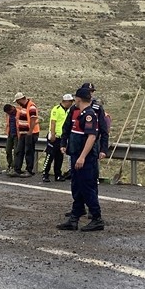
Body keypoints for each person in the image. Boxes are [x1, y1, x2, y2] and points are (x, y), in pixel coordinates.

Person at [56, 88, 105, 232]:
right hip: (76, 156)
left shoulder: (89, 114)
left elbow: (91, 137)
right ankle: (74, 219)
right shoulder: (80, 113)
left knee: (87, 188)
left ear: (79, 99)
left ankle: (97, 218)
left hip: (85, 159)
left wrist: (83, 156)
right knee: (77, 188)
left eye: (75, 98)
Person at [43, 94, 73, 182]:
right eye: (70, 101)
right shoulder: (56, 109)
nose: (71, 103)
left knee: (59, 157)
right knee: (50, 156)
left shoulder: (68, 111)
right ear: (66, 101)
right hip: (55, 136)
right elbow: (53, 122)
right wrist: (52, 134)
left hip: (62, 137)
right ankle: (45, 173)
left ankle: (58, 174)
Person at [9, 92, 39, 177]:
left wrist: (29, 132)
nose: (17, 103)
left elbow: (33, 120)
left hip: (31, 133)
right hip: (23, 133)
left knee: (29, 151)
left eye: (17, 101)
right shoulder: (23, 107)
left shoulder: (31, 106)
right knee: (19, 151)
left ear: (21, 99)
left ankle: (29, 170)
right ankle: (17, 169)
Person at [3, 104, 18, 172]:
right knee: (8, 150)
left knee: (16, 151)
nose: (8, 114)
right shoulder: (8, 114)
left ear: (12, 108)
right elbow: (8, 124)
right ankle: (10, 165)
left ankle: (15, 167)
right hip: (10, 134)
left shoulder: (18, 112)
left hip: (17, 135)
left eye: (8, 112)